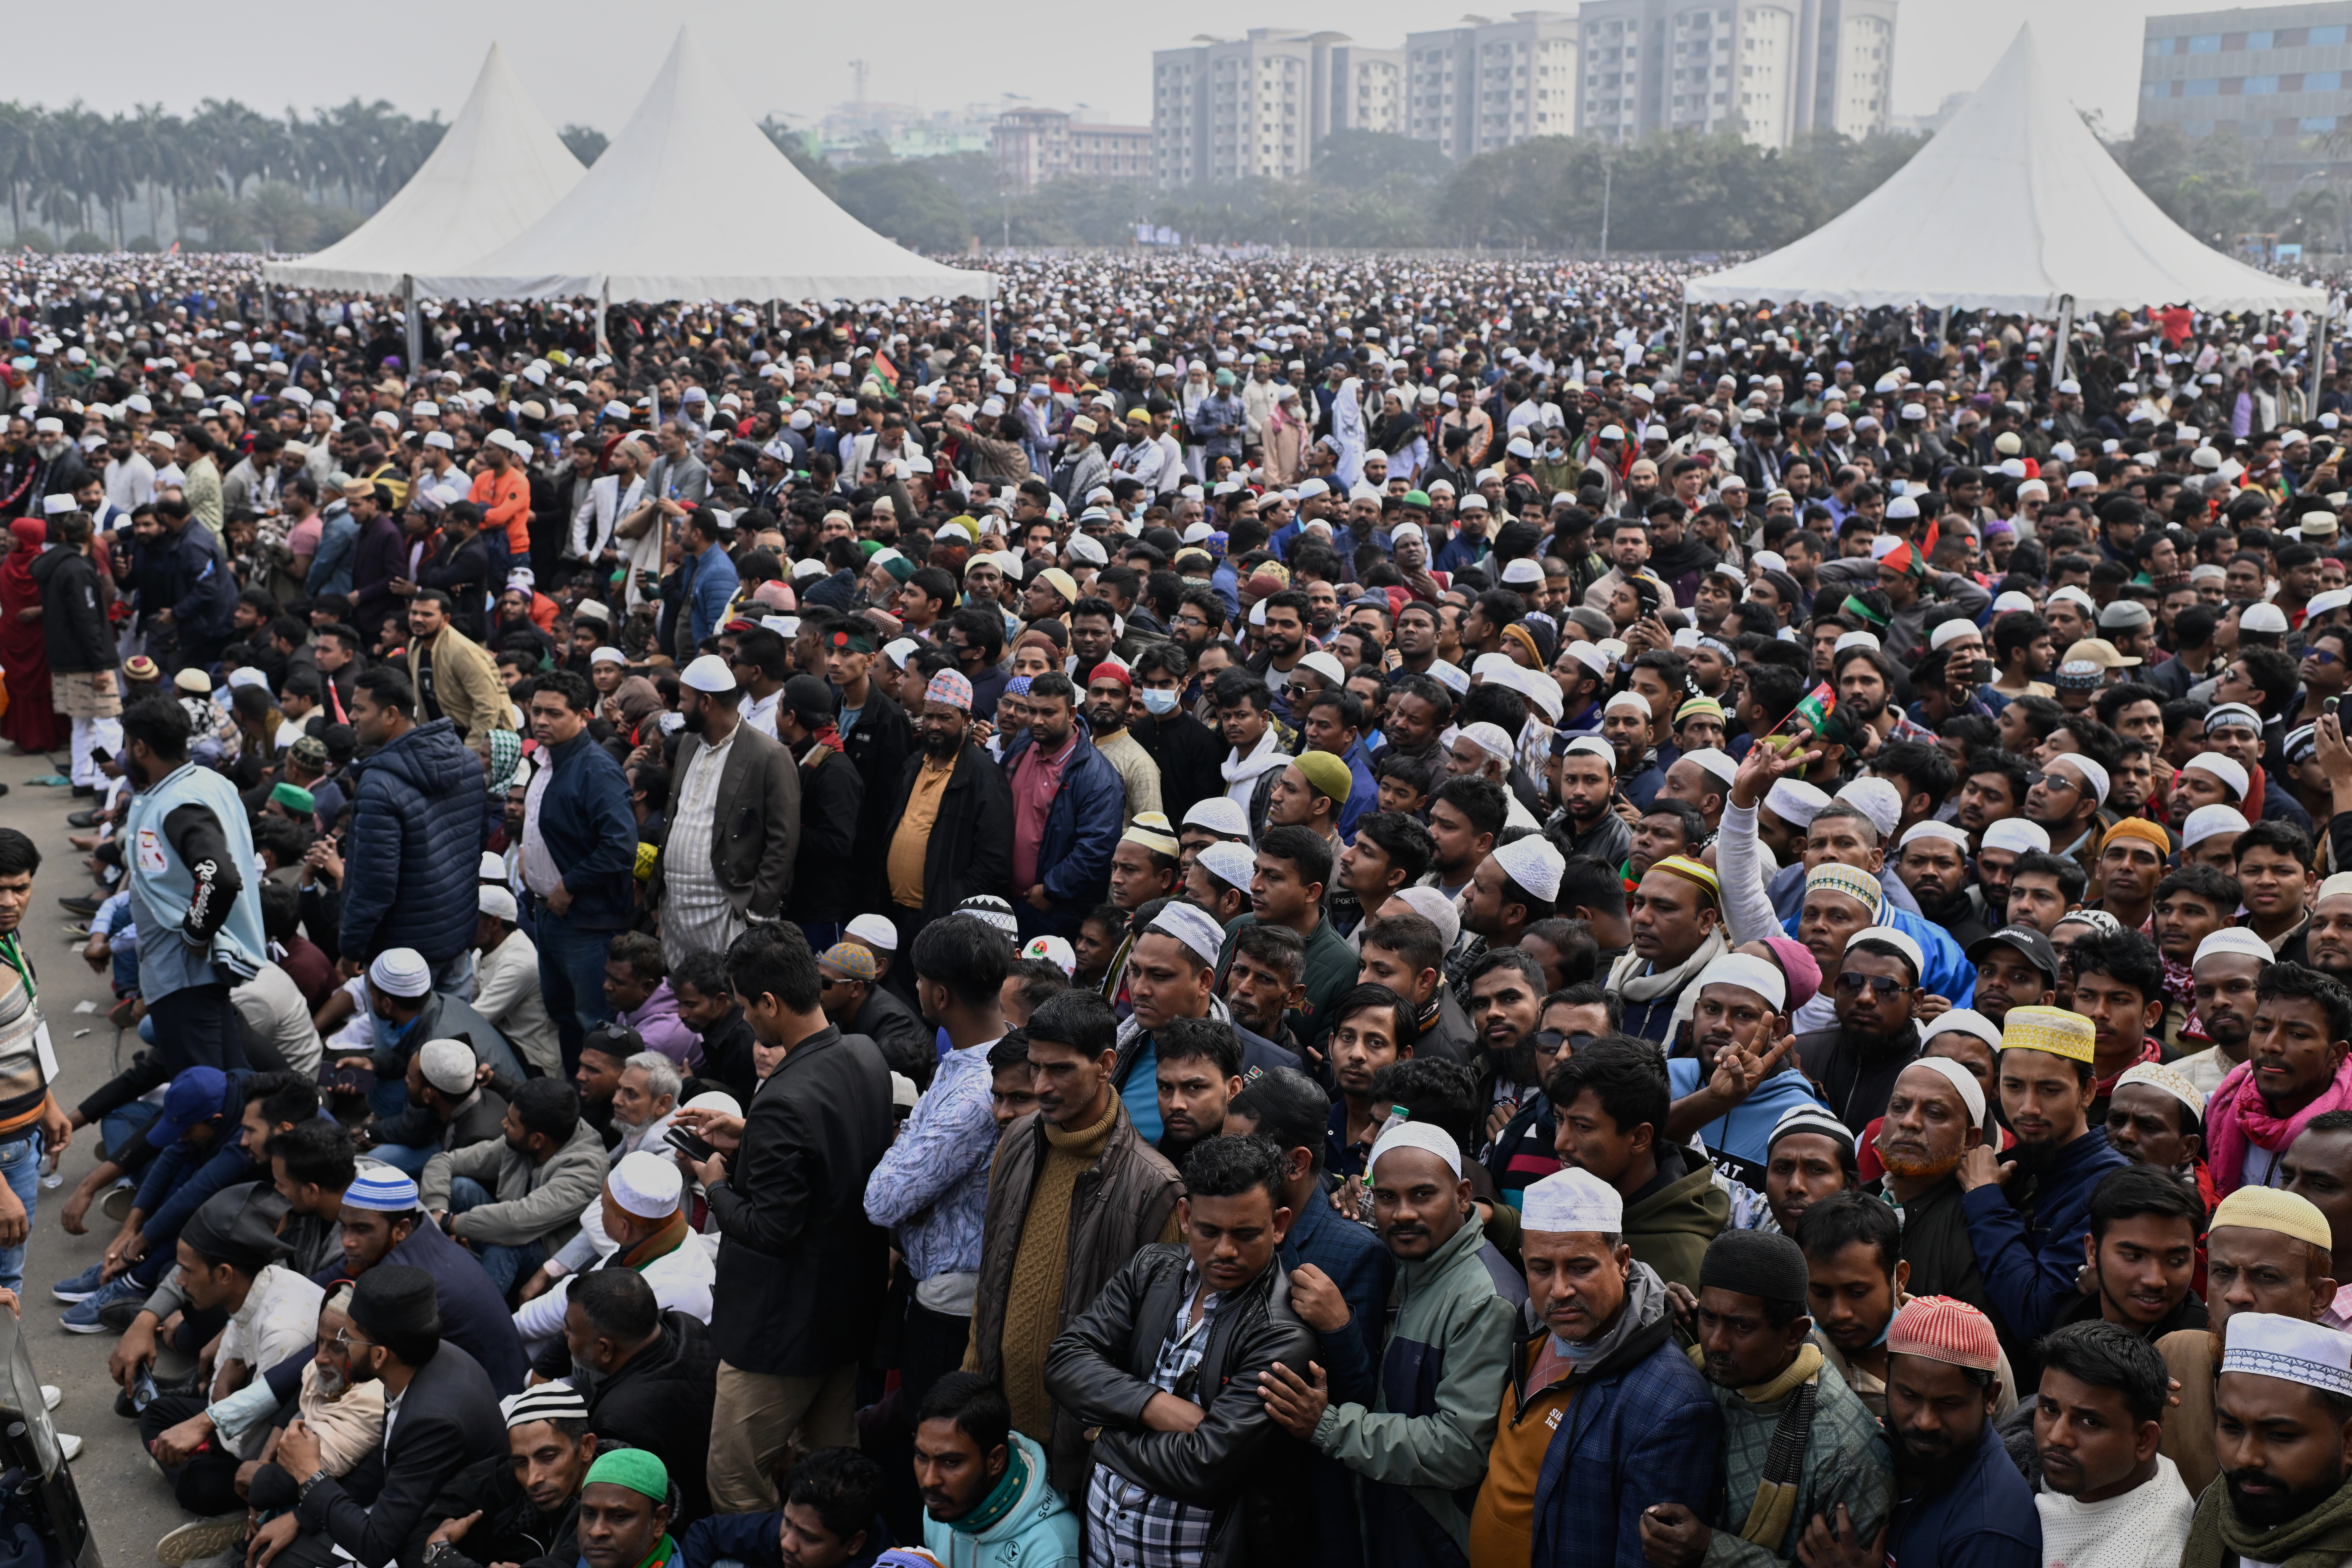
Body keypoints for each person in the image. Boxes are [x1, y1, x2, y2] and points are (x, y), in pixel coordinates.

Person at [674, 924, 893, 1515]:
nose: (746, 1020)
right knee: (834, 1469)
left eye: (746, 1007)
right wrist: (751, 1138)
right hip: (845, 1313)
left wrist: (716, 1182)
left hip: (780, 1333)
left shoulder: (783, 1096)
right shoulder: (865, 1054)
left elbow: (771, 1230)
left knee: (736, 1478)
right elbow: (830, 1160)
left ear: (769, 1002)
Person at [1259, 1118, 1523, 1568]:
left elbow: (1459, 1450)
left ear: (1462, 1196)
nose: (1403, 1213)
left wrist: (1327, 1425)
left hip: (1439, 1538)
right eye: (1387, 1197)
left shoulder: (1484, 1299)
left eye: (1423, 1195)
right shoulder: (1412, 1263)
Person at [1043, 1134, 1316, 1568]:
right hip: (1103, 1547)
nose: (1225, 1251)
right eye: (1210, 1231)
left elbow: (1204, 1466)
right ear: (1186, 1217)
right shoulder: (1151, 1269)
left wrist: (1107, 1435)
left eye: (1245, 1234)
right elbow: (1066, 1359)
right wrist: (1153, 1406)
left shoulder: (1280, 1333)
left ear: (1279, 1225)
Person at [965, 988, 1183, 1496]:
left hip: (1084, 1448)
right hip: (1001, 1428)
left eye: (1060, 1069)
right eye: (1036, 1066)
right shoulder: (1018, 1141)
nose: (1041, 1084)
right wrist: (974, 1381)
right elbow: (992, 1276)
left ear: (1106, 1063)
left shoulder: (1155, 1188)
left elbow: (1156, 1344)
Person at [1497, 1167, 1720, 1568]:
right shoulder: (1530, 1329)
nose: (1560, 1290)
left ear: (1621, 1261)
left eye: (1581, 1268)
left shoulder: (1673, 1405)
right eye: (1541, 1269)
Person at [1221, 1066, 1394, 1568]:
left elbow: (1363, 1401)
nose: (1226, 1165)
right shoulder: (1224, 1230)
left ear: (1296, 1164)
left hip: (1307, 1504)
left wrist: (1337, 1328)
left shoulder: (1354, 1252)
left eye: (1243, 1152)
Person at [1636, 1230, 1891, 1568]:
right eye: (1709, 1317)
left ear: (1794, 1334)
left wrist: (1711, 1550)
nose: (1716, 1343)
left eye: (1741, 1326)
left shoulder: (1850, 1455)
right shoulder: (1695, 1370)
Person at [863, 916, 1011, 1475]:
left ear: (939, 993)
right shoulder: (986, 1057)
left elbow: (882, 1200)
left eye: (921, 981)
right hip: (939, 1292)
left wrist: (904, 1161)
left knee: (931, 1453)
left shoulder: (977, 1093)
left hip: (953, 1309)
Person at [244, 1264, 507, 1568]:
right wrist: (302, 1516)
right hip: (404, 1508)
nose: (343, 1345)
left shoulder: (433, 1420)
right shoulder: (418, 1359)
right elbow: (383, 1463)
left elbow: (376, 1545)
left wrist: (309, 1474)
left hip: (438, 1546)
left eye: (348, 1338)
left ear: (381, 1355)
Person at [2157, 1184, 2342, 1496]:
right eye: (2223, 1272)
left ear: (2320, 1296)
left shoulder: (2342, 1385)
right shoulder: (2176, 1353)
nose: (2237, 1294)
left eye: (2266, 1276)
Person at [1963, 1006, 2129, 1344]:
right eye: (2014, 1086)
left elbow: (2036, 1314)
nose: (2028, 1107)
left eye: (2049, 1090)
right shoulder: (2014, 1163)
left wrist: (1985, 1198)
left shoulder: (2110, 1185)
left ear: (2087, 1091)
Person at [119, 695, 265, 1072]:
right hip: (190, 975)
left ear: (140, 747)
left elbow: (219, 873)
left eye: (125, 745)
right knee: (228, 1080)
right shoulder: (207, 781)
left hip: (183, 976)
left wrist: (195, 935)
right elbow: (249, 837)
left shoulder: (177, 803)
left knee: (205, 1093)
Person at [1859, 1295, 2038, 1568]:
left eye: (1949, 1404)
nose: (1925, 1422)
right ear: (1888, 1378)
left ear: (1990, 1397)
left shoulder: (1990, 1533)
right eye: (1909, 1396)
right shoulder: (1866, 1445)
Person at [651, 653, 801, 970]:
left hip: (730, 909)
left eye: (685, 699)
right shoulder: (689, 743)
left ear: (706, 703)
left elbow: (783, 839)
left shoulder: (768, 754)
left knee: (731, 999)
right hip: (677, 907)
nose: (679, 706)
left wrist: (757, 909)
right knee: (689, 1001)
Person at [340, 667, 482, 988]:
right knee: (452, 1037)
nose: (351, 716)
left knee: (402, 1040)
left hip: (402, 960)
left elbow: (375, 885)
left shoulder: (379, 786)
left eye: (360, 708)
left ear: (391, 714)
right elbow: (476, 846)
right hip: (456, 936)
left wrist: (351, 948)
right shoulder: (468, 761)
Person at [522, 671, 638, 1063]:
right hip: (549, 916)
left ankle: (600, 1110)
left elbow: (621, 848)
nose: (541, 720)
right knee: (562, 1015)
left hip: (587, 924)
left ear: (583, 716)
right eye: (536, 711)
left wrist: (570, 884)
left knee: (593, 1023)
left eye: (554, 713)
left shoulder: (596, 770)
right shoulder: (544, 761)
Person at [1547, 1038, 1727, 1289]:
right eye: (1559, 1120)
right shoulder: (1580, 1198)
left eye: (1582, 1126)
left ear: (1640, 1138)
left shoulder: (1681, 1271)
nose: (1561, 1143)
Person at [2178, 1313, 2352, 1568]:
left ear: (2348, 1440)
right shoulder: (2214, 1514)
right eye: (2231, 1428)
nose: (2245, 1457)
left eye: (2280, 1435)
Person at [557, 1268, 721, 1523]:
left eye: (571, 1330)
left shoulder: (618, 1422)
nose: (564, 1333)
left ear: (605, 1349)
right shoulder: (689, 1326)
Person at [419, 1078, 608, 1296]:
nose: (503, 1124)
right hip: (510, 1229)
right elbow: (445, 1161)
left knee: (507, 1247)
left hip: (546, 1263)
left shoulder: (586, 1171)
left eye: (511, 1122)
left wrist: (452, 1223)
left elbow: (518, 1220)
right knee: (461, 1187)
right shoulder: (523, 1140)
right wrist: (437, 1210)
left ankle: (472, 1312)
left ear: (538, 1140)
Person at [2035, 1320, 2196, 1568]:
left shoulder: (2136, 1557)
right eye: (2050, 1409)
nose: (2057, 1437)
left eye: (2089, 1422)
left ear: (2144, 1440)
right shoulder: (2100, 1471)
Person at [884, 668, 1014, 944]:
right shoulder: (914, 765)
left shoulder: (984, 777)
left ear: (967, 720)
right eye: (929, 716)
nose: (934, 725)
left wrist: (954, 905)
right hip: (895, 914)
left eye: (945, 718)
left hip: (941, 921)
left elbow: (993, 862)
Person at [412, 1383, 598, 1568]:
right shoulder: (503, 1475)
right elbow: (423, 1530)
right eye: (521, 1463)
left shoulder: (610, 1501)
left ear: (586, 1448)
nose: (533, 1479)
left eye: (548, 1458)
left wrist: (441, 1552)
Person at [1003, 671, 1127, 940]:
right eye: (1032, 711)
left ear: (1072, 713)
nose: (1037, 721)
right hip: (1006, 901)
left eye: (1048, 713)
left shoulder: (1097, 776)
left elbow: (1098, 847)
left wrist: (1051, 890)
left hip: (1055, 913)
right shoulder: (1023, 745)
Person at [2208, 963, 2352, 1196]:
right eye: (2262, 1028)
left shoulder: (2348, 1133)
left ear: (2336, 1054)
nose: (2270, 1046)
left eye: (2297, 1035)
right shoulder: (2223, 1105)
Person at [912, 1373, 1081, 1568]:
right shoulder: (941, 1506)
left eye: (951, 1462)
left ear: (995, 1460)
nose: (930, 1481)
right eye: (922, 1456)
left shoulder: (1052, 1551)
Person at [472, 885, 560, 1079]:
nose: (463, 924)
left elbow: (477, 1019)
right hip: (506, 1045)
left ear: (495, 923)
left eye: (472, 918)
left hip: (535, 1061)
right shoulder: (482, 950)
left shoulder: (519, 964)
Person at [404, 589, 514, 743]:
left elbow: (488, 707)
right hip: (441, 739)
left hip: (475, 738)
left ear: (446, 619)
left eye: (427, 615)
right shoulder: (415, 646)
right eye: (414, 613)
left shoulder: (462, 652)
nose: (418, 619)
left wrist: (472, 750)